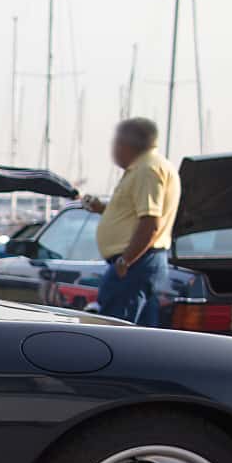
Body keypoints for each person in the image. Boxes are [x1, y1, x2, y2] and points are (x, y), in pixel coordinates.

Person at [81, 117, 180, 326]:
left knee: (116, 330)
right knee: (141, 333)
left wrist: (125, 261)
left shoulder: (147, 170)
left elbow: (151, 222)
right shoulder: (152, 166)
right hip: (142, 261)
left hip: (135, 262)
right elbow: (138, 216)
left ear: (125, 144)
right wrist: (103, 210)